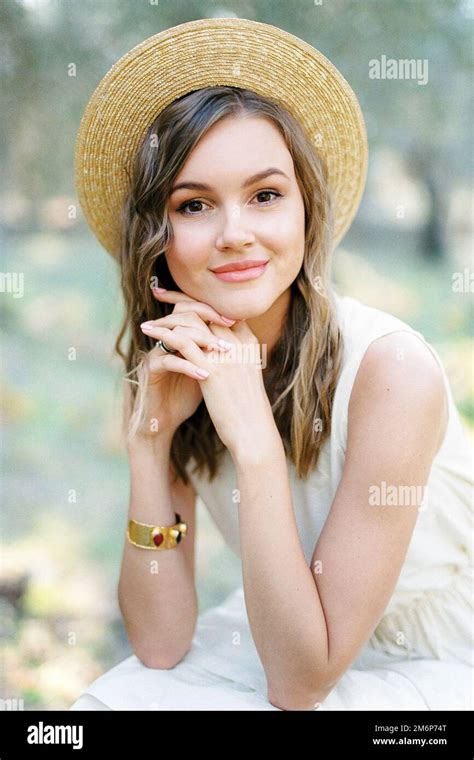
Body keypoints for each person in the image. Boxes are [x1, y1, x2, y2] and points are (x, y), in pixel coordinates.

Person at [70, 18, 472, 711]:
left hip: (435, 657)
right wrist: (149, 446)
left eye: (265, 195)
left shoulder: (392, 373)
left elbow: (300, 684)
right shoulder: (185, 366)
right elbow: (160, 643)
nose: (235, 235)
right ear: (157, 238)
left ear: (306, 210)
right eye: (193, 205)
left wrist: (255, 442)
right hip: (282, 628)